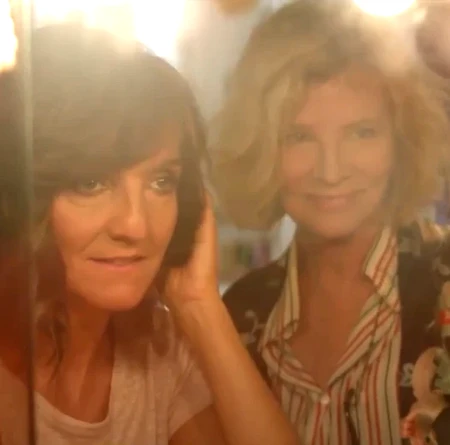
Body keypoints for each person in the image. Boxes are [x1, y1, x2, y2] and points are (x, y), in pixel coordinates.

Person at [0, 23, 298, 445]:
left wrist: (199, 305)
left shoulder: (157, 346)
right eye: (91, 183)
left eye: (161, 182)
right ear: (16, 197)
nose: (135, 226)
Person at [212, 1, 450, 444]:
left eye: (362, 132)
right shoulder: (238, 315)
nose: (331, 170)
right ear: (261, 148)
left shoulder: (446, 280)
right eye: (299, 136)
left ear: (402, 139)